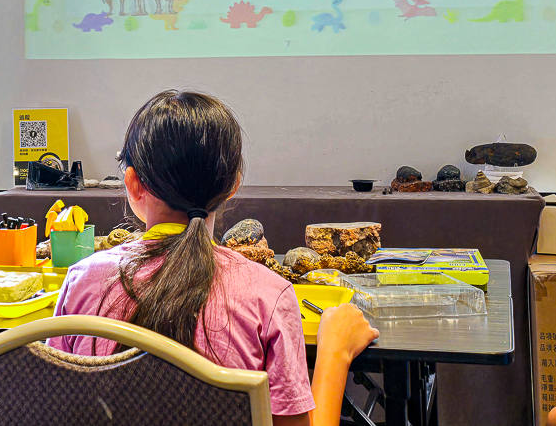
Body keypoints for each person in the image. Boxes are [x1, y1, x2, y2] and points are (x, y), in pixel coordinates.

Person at [48, 90, 379, 426]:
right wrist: (335, 352)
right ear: (233, 184)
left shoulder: (82, 281)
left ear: (132, 184)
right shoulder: (269, 296)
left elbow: (55, 406)